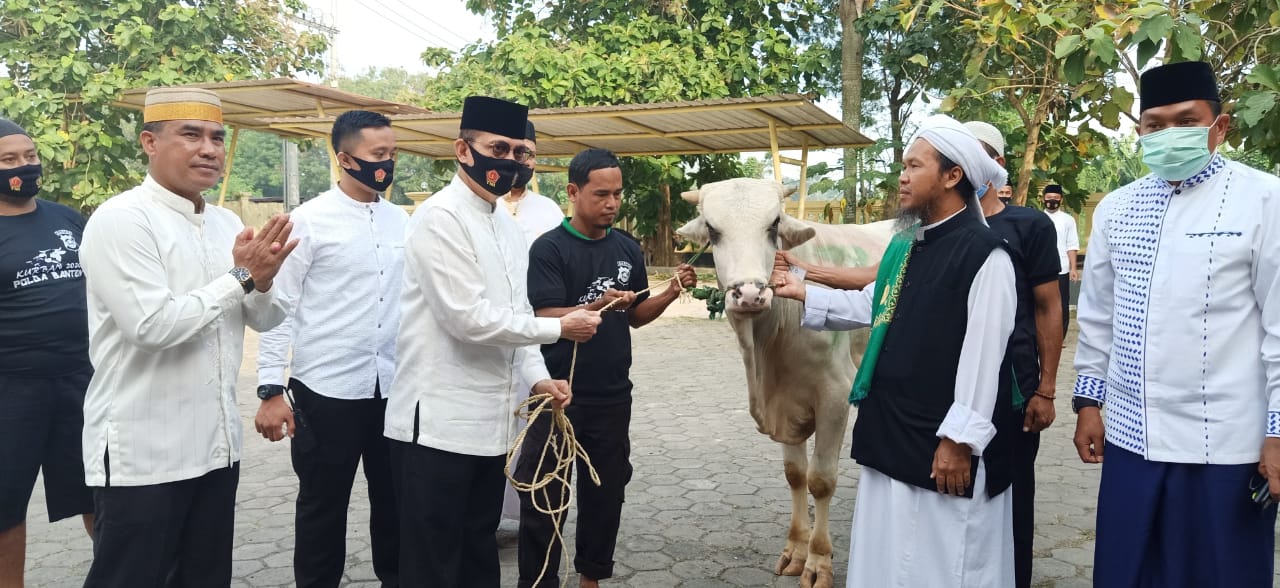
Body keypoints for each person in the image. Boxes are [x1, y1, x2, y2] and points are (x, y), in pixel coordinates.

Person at [773, 114, 1017, 586]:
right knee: (886, 557)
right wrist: (802, 292)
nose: (902, 177)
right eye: (903, 166)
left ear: (953, 176)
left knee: (943, 564)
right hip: (892, 432)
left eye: (914, 166)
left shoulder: (986, 254)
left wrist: (959, 440)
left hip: (942, 444)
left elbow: (985, 356)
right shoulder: (909, 246)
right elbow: (876, 304)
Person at [1072, 60, 1280, 586]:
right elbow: (1097, 317)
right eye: (1155, 124)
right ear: (1140, 132)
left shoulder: (1264, 200)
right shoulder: (1117, 209)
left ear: (1220, 126)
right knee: (1127, 571)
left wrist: (1278, 432)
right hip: (1131, 435)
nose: (1170, 134)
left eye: (1187, 121)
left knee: (1223, 573)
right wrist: (1088, 404)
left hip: (1228, 441)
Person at [79, 87, 296, 588]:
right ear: (149, 142)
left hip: (216, 447)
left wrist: (262, 282)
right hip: (144, 452)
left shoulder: (225, 222)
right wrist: (241, 277)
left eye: (217, 138)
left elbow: (264, 318)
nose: (209, 149)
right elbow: (152, 327)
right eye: (191, 135)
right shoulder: (122, 219)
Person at [385, 96, 601, 588]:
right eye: (498, 148)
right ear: (463, 150)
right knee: (433, 564)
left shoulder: (504, 222)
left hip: (490, 425)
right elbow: (467, 319)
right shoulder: (440, 217)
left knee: (478, 552)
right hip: (437, 425)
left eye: (520, 153)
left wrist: (539, 379)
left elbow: (516, 314)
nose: (510, 161)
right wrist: (560, 328)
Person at [516, 149, 696, 588]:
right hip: (557, 393)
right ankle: (538, 581)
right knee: (545, 494)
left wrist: (671, 292)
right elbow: (543, 315)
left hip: (612, 395)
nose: (612, 203)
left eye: (617, 193)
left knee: (606, 492)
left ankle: (591, 577)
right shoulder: (549, 249)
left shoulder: (626, 248)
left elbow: (635, 315)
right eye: (601, 194)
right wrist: (596, 304)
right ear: (573, 192)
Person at [253, 110, 406, 588]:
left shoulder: (401, 221)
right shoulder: (308, 221)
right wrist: (270, 389)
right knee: (322, 506)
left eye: (392, 153)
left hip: (393, 389)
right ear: (345, 158)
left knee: (396, 504)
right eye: (378, 154)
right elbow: (279, 308)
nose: (387, 163)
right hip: (326, 391)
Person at [964, 120, 1063, 588]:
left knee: (1011, 495)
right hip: (952, 389)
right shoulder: (939, 228)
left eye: (974, 155)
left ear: (997, 164)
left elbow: (1048, 307)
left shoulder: (1029, 225)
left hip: (1014, 390)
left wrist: (1046, 389)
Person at [0, 118, 95, 587]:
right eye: (9, 159)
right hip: (12, 391)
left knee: (101, 490)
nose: (25, 166)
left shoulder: (67, 219)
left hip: (84, 380)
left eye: (30, 155)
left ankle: (122, 575)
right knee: (4, 505)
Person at [497, 120, 566, 524]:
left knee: (531, 427)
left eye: (528, 154)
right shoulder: (477, 208)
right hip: (487, 337)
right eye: (512, 152)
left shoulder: (548, 210)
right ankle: (483, 518)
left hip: (538, 338)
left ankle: (523, 515)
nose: (520, 161)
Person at [496, 121, 564, 245]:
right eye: (520, 153)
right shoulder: (481, 204)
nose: (527, 162)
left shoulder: (549, 208)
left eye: (531, 155)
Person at [1041, 184, 1077, 339]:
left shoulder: (1068, 220)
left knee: (1062, 304)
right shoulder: (1036, 218)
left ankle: (1060, 337)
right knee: (1041, 303)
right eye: (1049, 198)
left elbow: (1072, 245)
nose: (1052, 201)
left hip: (1062, 267)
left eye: (1056, 198)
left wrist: (1073, 268)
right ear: (1043, 199)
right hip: (1041, 267)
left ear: (1061, 200)